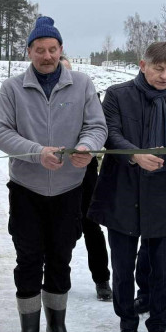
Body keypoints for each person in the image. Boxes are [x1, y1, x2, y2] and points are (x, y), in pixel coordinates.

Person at [0, 17, 107, 332]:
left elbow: (96, 126)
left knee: (60, 257)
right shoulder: (12, 89)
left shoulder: (83, 84)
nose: (47, 55)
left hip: (69, 188)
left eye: (52, 49)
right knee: (28, 259)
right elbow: (2, 134)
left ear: (61, 50)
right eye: (39, 50)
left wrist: (87, 145)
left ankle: (57, 328)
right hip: (26, 189)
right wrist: (36, 153)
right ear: (29, 51)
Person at [87, 41, 166, 332]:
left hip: (164, 192)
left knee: (164, 269)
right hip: (123, 191)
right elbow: (111, 135)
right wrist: (134, 155)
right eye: (159, 69)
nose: (165, 76)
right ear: (142, 65)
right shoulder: (118, 95)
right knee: (122, 266)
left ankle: (159, 329)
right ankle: (128, 326)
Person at [59, 55, 113, 302]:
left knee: (92, 226)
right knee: (62, 228)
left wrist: (85, 146)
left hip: (86, 169)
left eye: (67, 71)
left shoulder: (85, 94)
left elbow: (97, 128)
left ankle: (102, 279)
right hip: (55, 170)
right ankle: (60, 275)